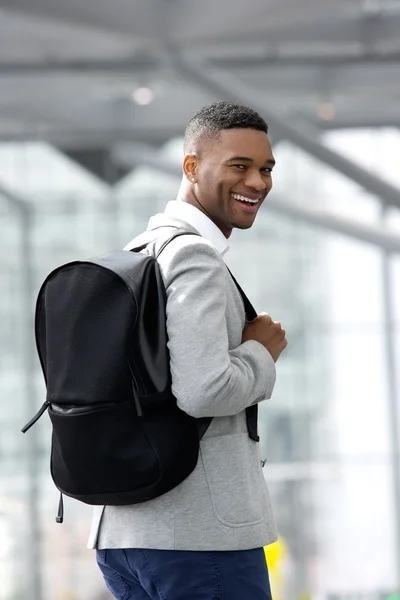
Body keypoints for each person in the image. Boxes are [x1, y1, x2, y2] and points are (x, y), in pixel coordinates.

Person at [89, 100, 288, 599]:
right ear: (192, 167)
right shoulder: (194, 257)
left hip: (126, 532)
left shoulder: (143, 249)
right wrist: (261, 354)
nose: (259, 183)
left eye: (266, 169)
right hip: (200, 539)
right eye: (239, 166)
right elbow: (203, 391)